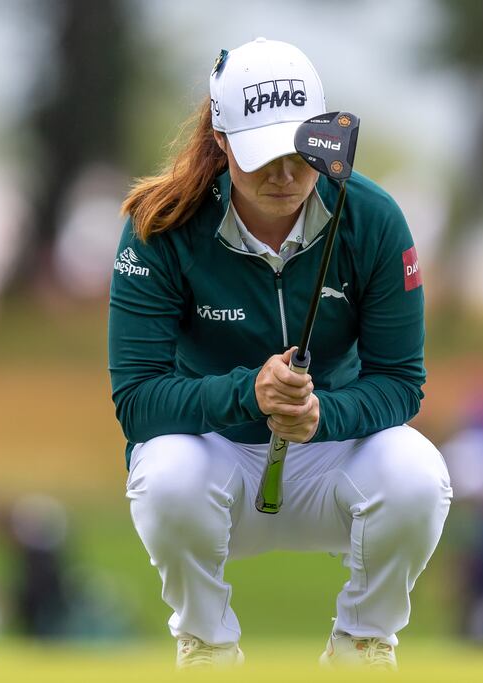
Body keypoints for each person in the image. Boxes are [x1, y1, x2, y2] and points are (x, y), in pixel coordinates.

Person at [108, 38, 452, 670]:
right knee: (165, 473)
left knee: (417, 473)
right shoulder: (162, 226)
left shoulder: (371, 219)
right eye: (264, 156)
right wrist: (248, 392)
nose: (287, 175)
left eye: (301, 151)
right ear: (221, 138)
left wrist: (324, 414)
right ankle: (207, 644)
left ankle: (362, 643)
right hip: (217, 462)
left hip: (332, 461)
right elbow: (137, 401)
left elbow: (401, 384)